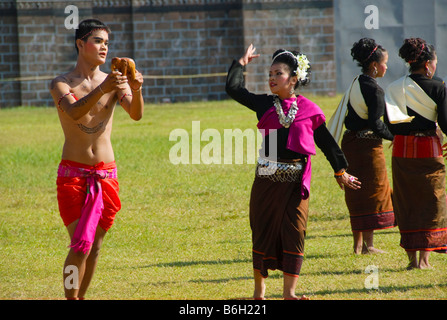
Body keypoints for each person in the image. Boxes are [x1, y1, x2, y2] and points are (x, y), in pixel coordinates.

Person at [225, 44, 361, 300]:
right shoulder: (264, 104)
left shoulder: (309, 110)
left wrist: (341, 171)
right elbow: (233, 89)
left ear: (294, 79)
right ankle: (258, 293)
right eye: (270, 74)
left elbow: (327, 143)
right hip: (266, 181)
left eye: (278, 73)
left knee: (295, 231)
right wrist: (241, 63)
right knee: (263, 230)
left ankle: (290, 293)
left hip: (296, 183)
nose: (272, 78)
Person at [49, 19, 144, 299]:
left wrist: (136, 87)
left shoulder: (114, 81)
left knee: (95, 246)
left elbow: (136, 114)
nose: (104, 47)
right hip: (73, 175)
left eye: (106, 42)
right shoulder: (61, 83)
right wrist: (103, 89)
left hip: (106, 175)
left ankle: (80, 297)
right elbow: (74, 112)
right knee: (80, 245)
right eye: (98, 41)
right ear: (81, 44)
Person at [328, 38, 395, 254]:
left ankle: (358, 246)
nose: (387, 67)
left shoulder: (356, 82)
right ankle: (369, 246)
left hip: (350, 143)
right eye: (385, 62)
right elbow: (376, 124)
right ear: (375, 65)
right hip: (368, 149)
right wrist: (394, 136)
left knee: (355, 192)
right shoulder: (375, 90)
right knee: (372, 192)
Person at [384, 38, 447, 269]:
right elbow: (446, 123)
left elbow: (391, 126)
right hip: (430, 150)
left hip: (402, 150)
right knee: (432, 201)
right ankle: (424, 260)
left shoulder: (394, 88)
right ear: (428, 64)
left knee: (407, 201)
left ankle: (411, 260)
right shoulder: (439, 87)